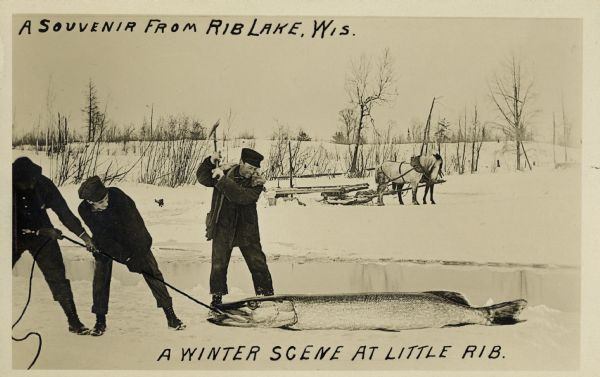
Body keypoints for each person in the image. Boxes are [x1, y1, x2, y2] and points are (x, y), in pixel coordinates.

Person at [77, 176, 185, 336]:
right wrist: (125, 258)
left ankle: (171, 316)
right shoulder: (84, 210)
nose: (106, 203)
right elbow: (103, 235)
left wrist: (135, 257)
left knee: (152, 273)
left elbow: (136, 227)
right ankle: (100, 321)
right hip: (106, 243)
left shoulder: (118, 197)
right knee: (100, 276)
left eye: (106, 199)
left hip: (135, 240)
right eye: (101, 203)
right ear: (90, 202)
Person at [12, 157, 93, 335]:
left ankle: (74, 322)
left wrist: (84, 236)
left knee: (57, 276)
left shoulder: (42, 184)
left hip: (44, 233)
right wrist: (39, 231)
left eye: (34, 180)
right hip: (11, 235)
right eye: (27, 183)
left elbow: (64, 212)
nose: (32, 185)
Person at [197, 148, 274, 307]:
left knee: (258, 264)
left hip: (247, 230)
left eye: (255, 169)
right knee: (218, 266)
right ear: (241, 162)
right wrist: (210, 162)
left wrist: (222, 179)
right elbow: (203, 178)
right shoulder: (223, 172)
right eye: (250, 167)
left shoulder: (256, 183)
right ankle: (216, 299)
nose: (252, 172)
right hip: (223, 228)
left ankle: (266, 297)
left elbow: (240, 196)